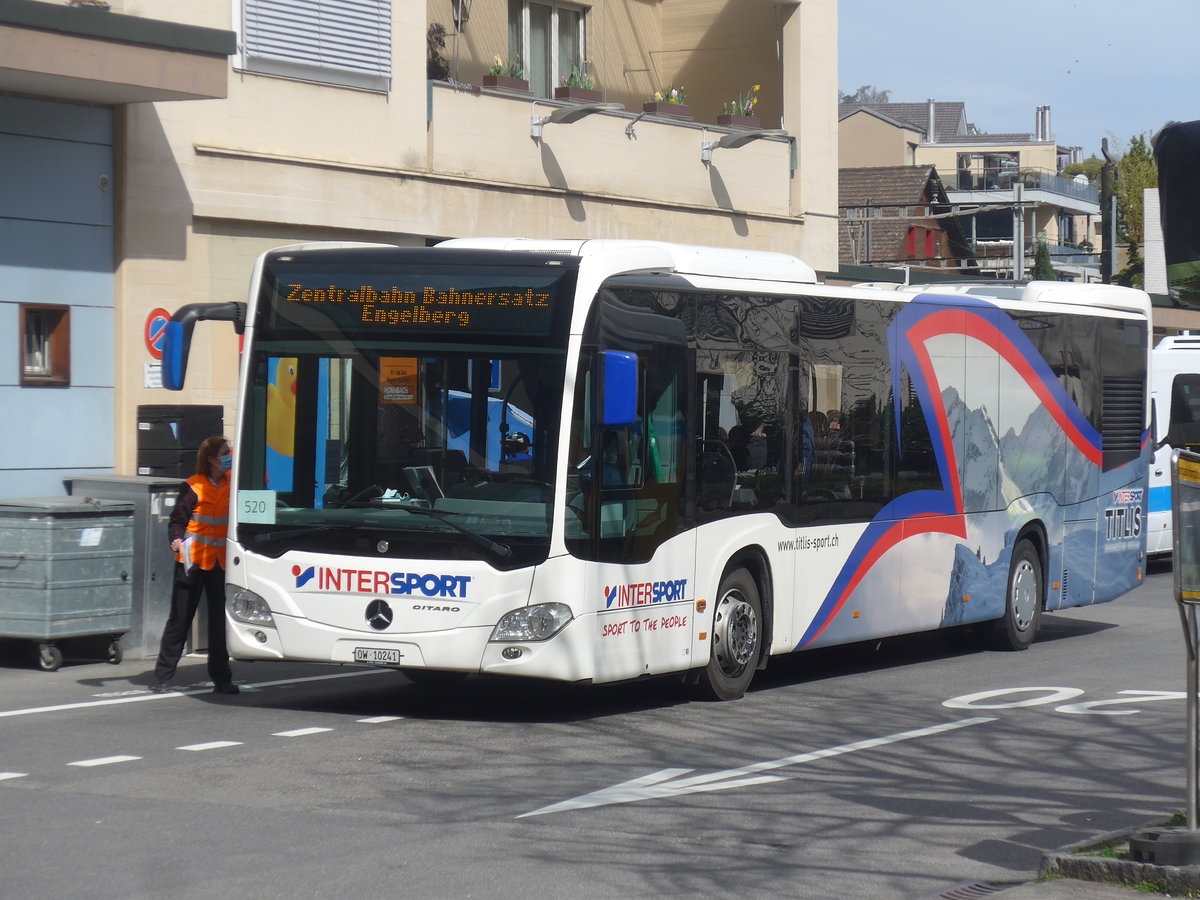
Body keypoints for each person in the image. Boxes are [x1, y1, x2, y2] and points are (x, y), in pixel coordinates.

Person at [151, 436, 239, 695]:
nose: (229, 455)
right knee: (180, 619)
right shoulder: (193, 486)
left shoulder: (233, 483)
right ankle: (163, 677)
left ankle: (222, 680)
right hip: (192, 562)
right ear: (212, 459)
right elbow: (177, 519)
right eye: (225, 452)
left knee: (218, 623)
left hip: (220, 562)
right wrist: (176, 539)